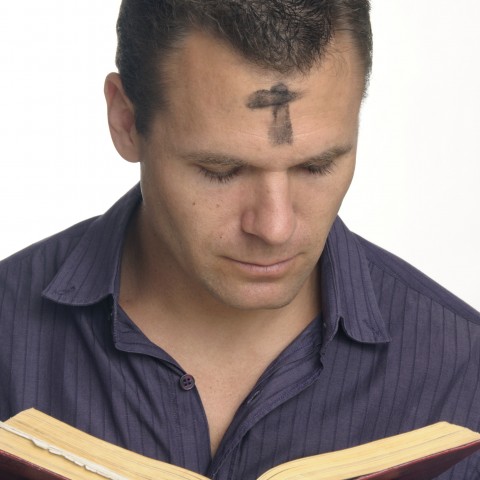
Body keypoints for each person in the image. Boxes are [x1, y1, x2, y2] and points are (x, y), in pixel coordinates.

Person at [0, 1, 479, 479]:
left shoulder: (464, 370)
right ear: (126, 121)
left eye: (316, 166)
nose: (274, 228)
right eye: (221, 171)